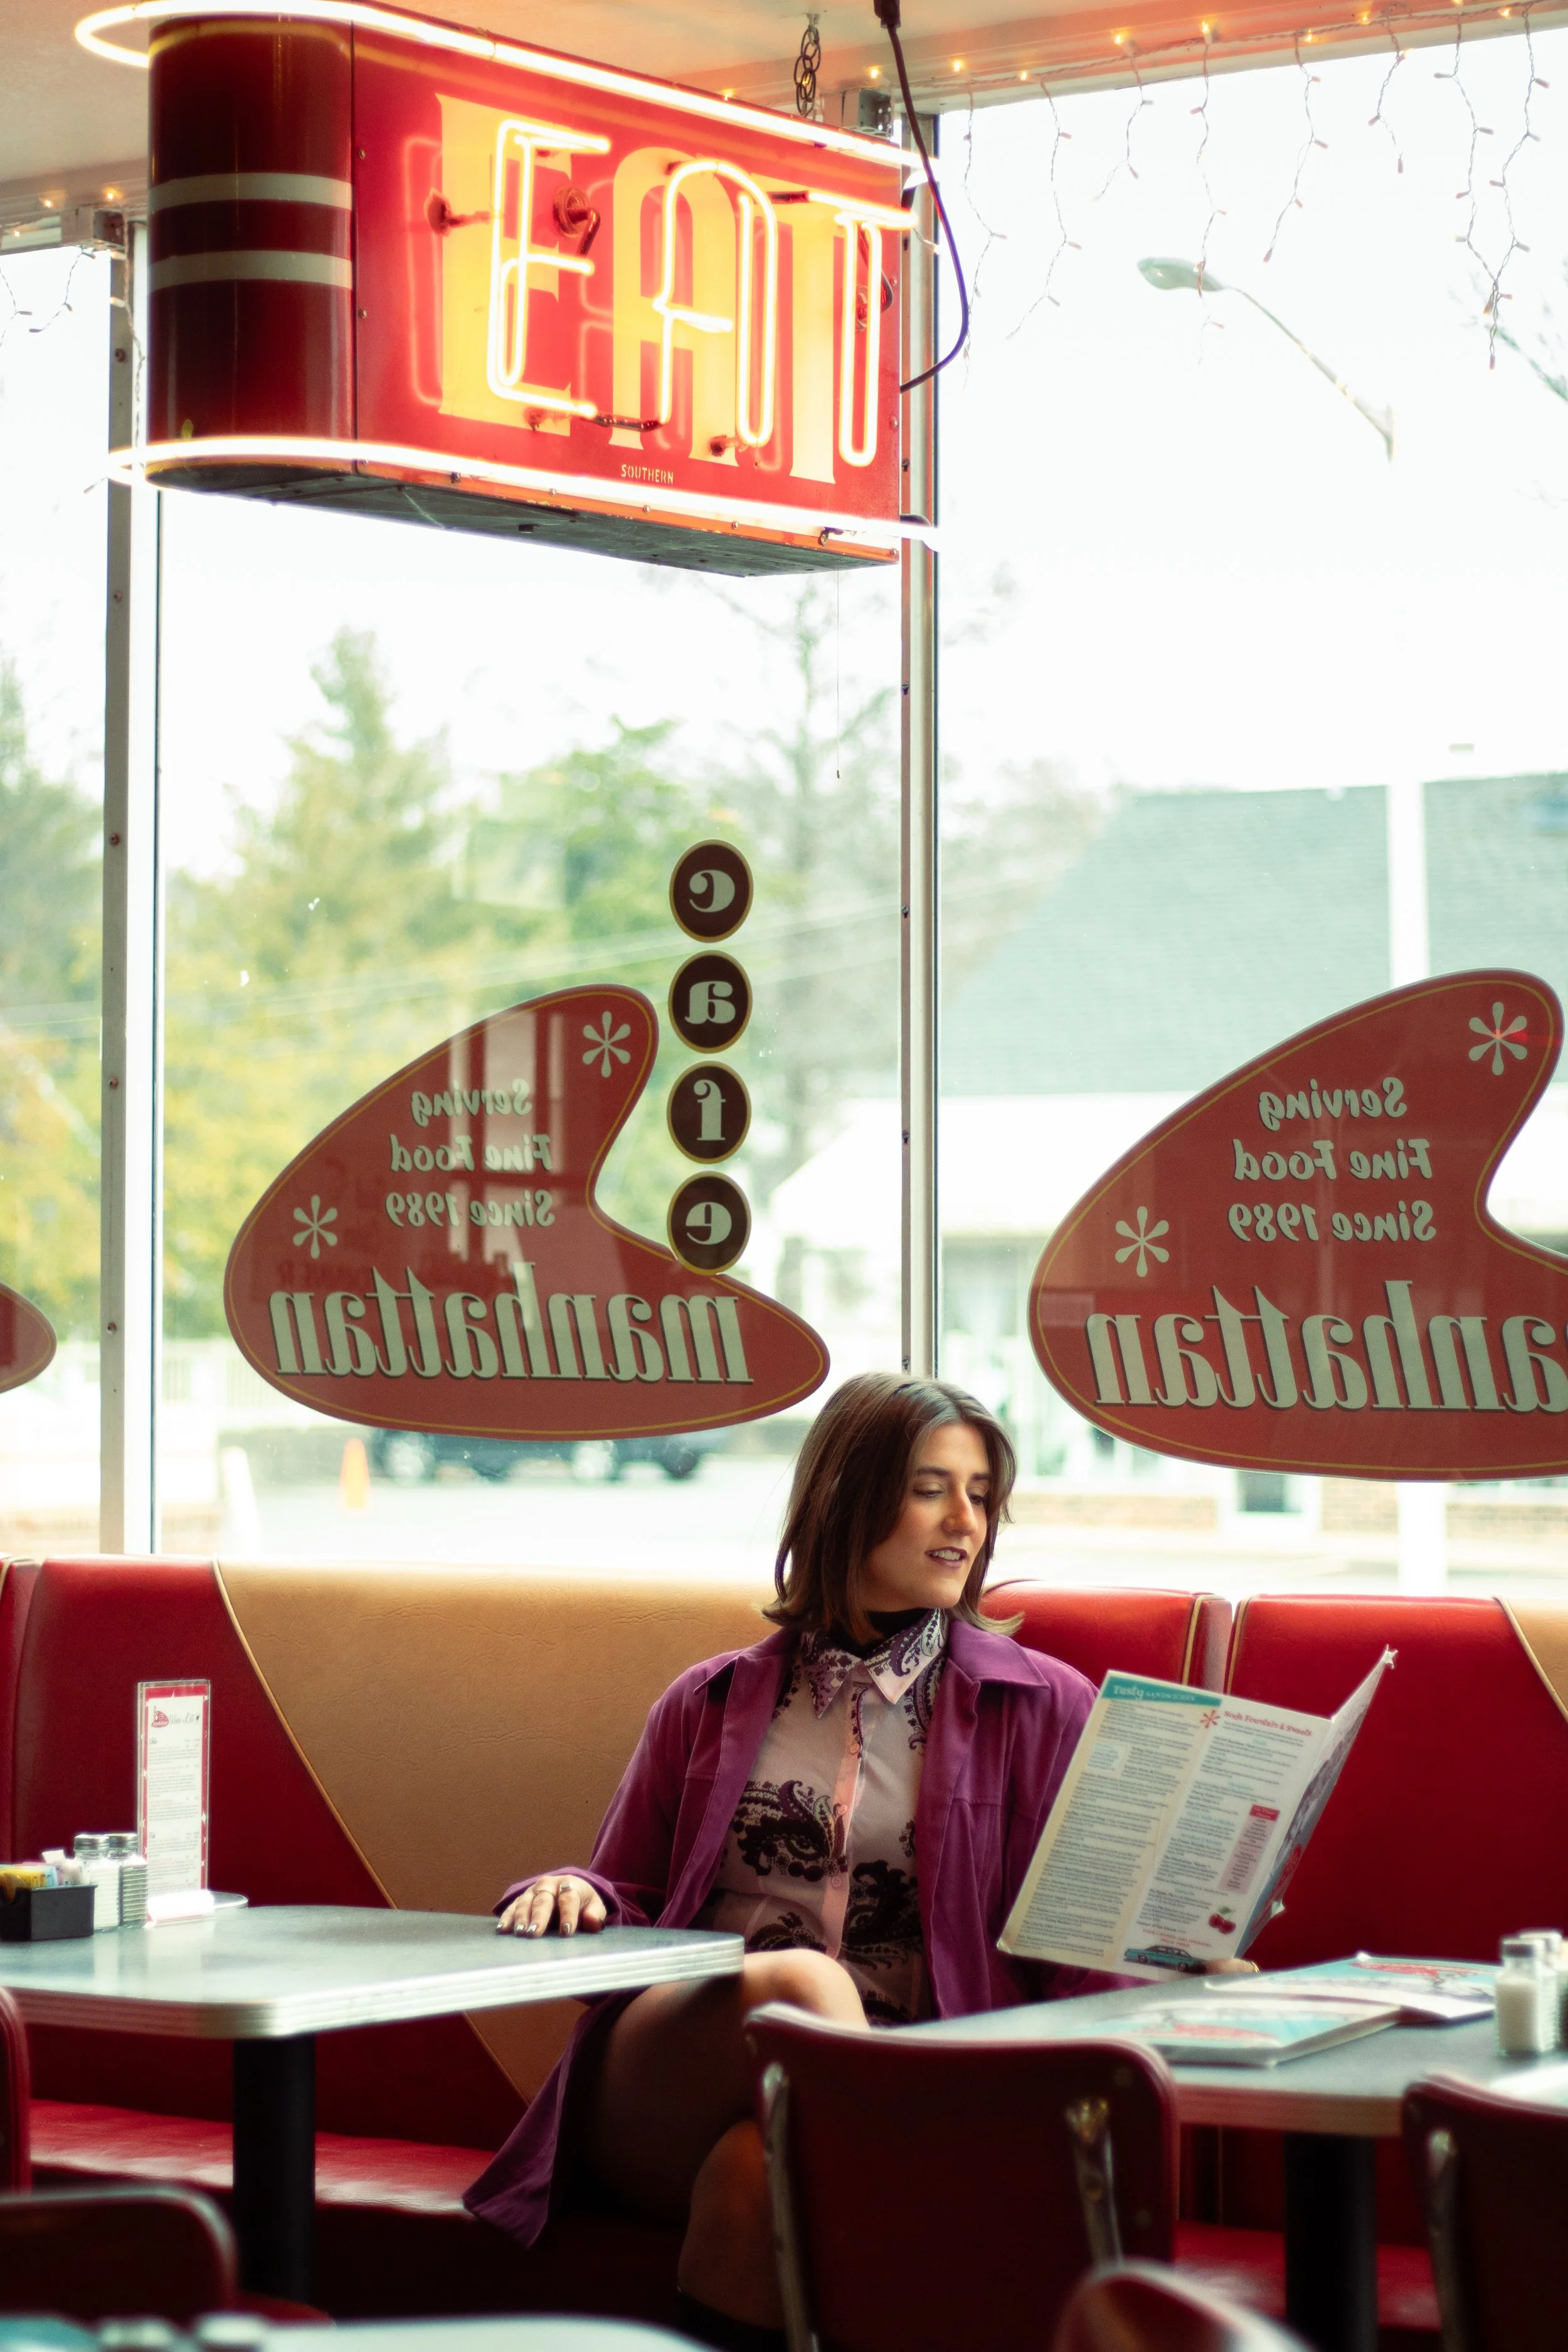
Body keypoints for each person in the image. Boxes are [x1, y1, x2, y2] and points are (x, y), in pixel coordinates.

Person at [465, 1373, 1136, 2345]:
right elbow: (630, 1895)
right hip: (677, 2077)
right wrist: (575, 1887)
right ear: (846, 1495)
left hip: (912, 2088)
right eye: (930, 1488)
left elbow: (1084, 1961)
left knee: (750, 2181)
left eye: (982, 1495)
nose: (965, 1522)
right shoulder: (710, 1699)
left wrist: (1172, 1941)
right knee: (806, 1982)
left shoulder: (1048, 1707)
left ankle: (881, 2161)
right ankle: (911, 2174)